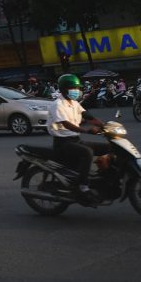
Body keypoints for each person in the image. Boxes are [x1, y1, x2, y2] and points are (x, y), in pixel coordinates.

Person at [50, 73, 107, 201]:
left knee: (109, 147)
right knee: (88, 152)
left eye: (77, 88)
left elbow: (87, 116)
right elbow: (67, 124)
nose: (76, 91)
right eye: (73, 88)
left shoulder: (74, 103)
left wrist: (104, 125)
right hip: (62, 143)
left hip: (75, 140)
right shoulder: (57, 105)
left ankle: (104, 178)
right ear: (64, 89)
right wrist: (86, 130)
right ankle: (83, 186)